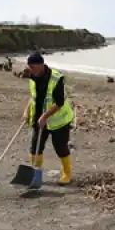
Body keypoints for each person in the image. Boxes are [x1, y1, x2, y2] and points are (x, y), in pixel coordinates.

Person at [21, 52, 75, 185]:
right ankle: (36, 174)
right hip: (38, 117)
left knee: (61, 148)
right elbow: (34, 96)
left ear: (41, 65)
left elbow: (59, 102)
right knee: (35, 148)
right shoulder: (32, 76)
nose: (31, 70)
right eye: (30, 67)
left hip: (58, 121)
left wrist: (45, 116)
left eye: (33, 67)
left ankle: (67, 174)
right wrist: (27, 111)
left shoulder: (56, 79)